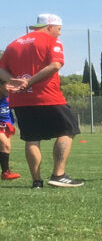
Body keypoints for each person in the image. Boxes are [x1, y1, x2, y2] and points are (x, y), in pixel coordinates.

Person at [0, 13, 83, 188]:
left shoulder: (13, 45)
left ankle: (37, 181)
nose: (59, 34)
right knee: (69, 129)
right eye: (59, 29)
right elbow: (55, 65)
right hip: (47, 96)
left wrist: (16, 81)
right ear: (50, 26)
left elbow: (1, 70)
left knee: (32, 138)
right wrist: (29, 82)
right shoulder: (52, 41)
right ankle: (58, 175)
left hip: (20, 100)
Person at [0, 80, 20, 180]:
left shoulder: (10, 97)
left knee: (6, 148)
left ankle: (5, 173)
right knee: (5, 145)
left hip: (7, 126)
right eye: (7, 85)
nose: (9, 88)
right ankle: (5, 173)